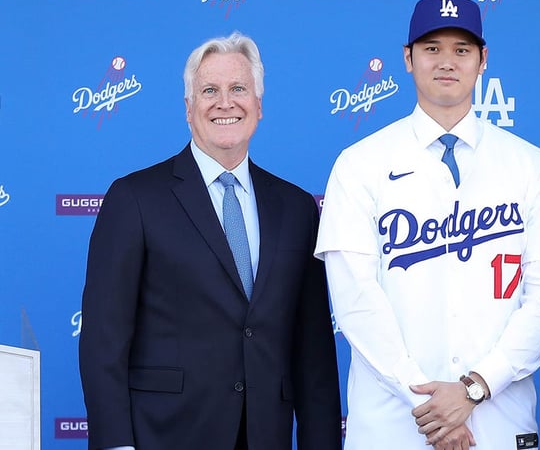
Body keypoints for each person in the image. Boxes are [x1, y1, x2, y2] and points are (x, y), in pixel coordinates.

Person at [314, 0, 540, 450]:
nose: (446, 62)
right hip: (393, 425)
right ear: (407, 58)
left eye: (462, 49)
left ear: (483, 60)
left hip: (498, 421)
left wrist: (475, 387)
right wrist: (431, 405)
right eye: (432, 48)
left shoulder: (532, 166)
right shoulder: (359, 163)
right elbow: (356, 301)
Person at [78, 32, 342, 450]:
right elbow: (103, 342)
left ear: (259, 105)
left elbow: (313, 353)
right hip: (164, 435)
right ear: (188, 108)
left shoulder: (296, 208)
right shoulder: (134, 199)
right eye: (209, 91)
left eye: (238, 89)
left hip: (265, 436)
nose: (225, 102)